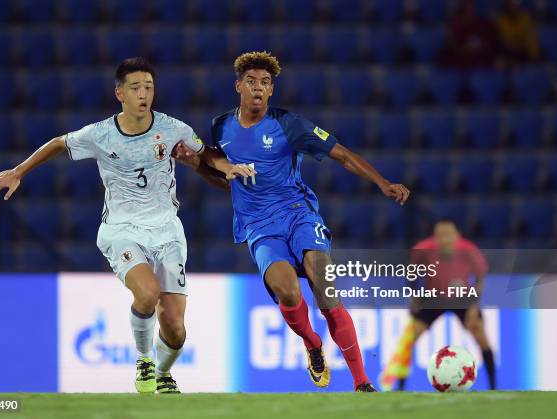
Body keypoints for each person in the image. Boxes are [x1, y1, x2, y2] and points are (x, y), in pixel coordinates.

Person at [0, 57, 225, 394]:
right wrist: (18, 171)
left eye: (149, 87)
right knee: (147, 293)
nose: (144, 94)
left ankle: (163, 373)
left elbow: (205, 158)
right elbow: (58, 143)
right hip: (122, 229)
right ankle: (144, 360)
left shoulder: (174, 129)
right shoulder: (99, 134)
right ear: (120, 93)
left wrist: (225, 174)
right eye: (135, 88)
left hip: (168, 231)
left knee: (174, 327)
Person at [175, 51, 410, 392]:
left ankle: (361, 382)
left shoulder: (290, 125)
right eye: (252, 82)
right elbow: (224, 179)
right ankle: (313, 343)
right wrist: (197, 164)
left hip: (298, 214)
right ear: (238, 86)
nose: (259, 88)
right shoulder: (220, 126)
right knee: (287, 290)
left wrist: (383, 183)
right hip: (258, 226)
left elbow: (343, 155)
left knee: (324, 287)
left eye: (266, 83)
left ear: (271, 91)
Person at [379, 220, 496, 391]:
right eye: (440, 235)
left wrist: (473, 306)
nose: (444, 240)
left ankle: (494, 386)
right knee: (410, 338)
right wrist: (415, 297)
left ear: (457, 236)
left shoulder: (469, 250)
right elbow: (411, 275)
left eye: (448, 235)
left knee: (480, 334)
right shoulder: (422, 249)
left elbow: (480, 279)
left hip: (462, 298)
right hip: (433, 297)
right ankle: (400, 388)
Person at [495, 0, 541, 64]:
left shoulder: (525, 18)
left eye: (515, 3)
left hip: (524, 54)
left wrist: (534, 55)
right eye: (510, 3)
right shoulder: (499, 20)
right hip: (507, 54)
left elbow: (531, 39)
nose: (513, 6)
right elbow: (503, 41)